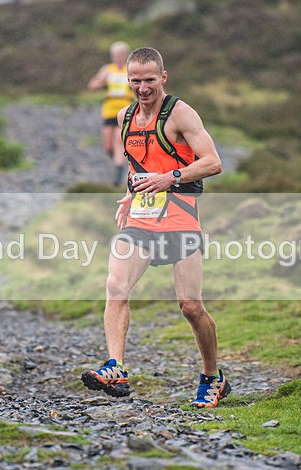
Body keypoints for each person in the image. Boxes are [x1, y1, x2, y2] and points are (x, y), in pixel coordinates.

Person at [80, 47, 230, 408]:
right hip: (141, 219)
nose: (143, 88)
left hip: (181, 217)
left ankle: (213, 376)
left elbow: (213, 162)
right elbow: (138, 165)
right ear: (127, 79)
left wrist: (170, 178)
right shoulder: (125, 116)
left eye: (150, 80)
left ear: (163, 77)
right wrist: (129, 194)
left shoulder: (181, 113)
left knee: (190, 306)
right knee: (115, 285)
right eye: (135, 81)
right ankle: (116, 367)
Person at [87, 41, 134, 186]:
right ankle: (120, 162)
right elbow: (92, 85)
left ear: (126, 55)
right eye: (116, 54)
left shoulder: (130, 69)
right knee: (108, 146)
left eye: (121, 54)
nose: (118, 56)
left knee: (119, 140)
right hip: (109, 110)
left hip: (125, 109)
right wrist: (102, 80)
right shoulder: (108, 69)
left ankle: (118, 176)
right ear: (112, 55)